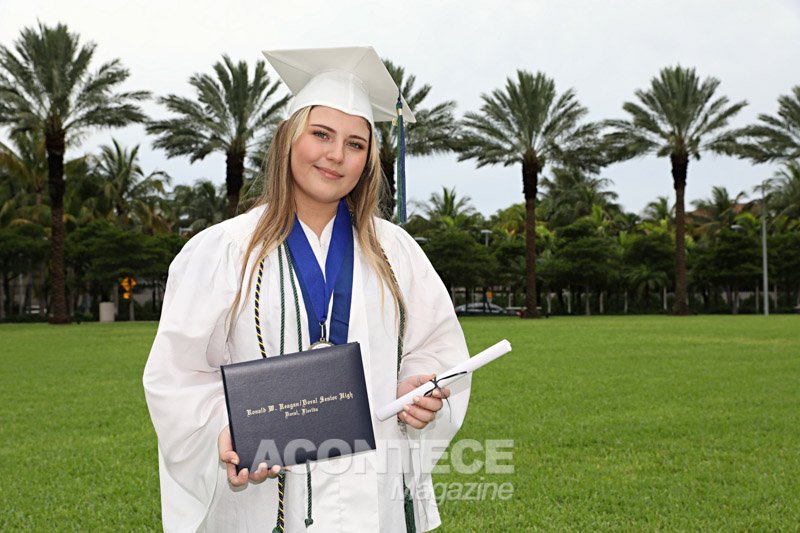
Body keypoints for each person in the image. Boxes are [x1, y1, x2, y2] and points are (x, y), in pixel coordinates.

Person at [143, 46, 471, 532]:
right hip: (267, 495)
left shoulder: (397, 253)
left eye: (356, 144)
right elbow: (178, 376)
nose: (337, 155)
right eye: (321, 134)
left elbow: (434, 349)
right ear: (289, 141)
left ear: (369, 159)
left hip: (371, 491)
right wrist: (226, 429)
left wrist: (418, 386)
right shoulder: (224, 251)